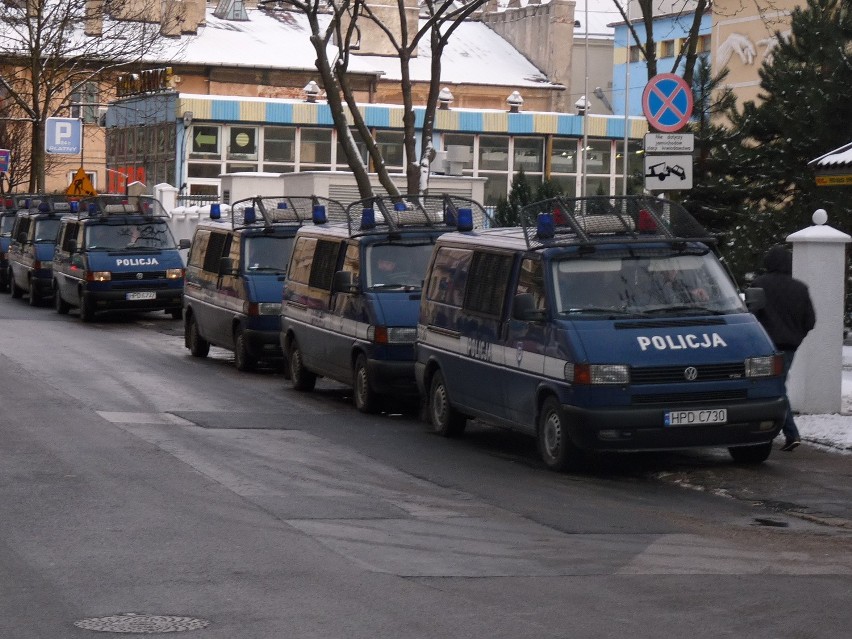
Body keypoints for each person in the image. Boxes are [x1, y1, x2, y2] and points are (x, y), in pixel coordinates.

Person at [751, 244, 816, 452]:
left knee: (774, 387)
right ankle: (775, 431)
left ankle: (788, 433)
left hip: (766, 344)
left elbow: (751, 315)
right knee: (777, 385)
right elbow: (810, 321)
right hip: (790, 346)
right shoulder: (800, 288)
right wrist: (796, 336)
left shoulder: (759, 284)